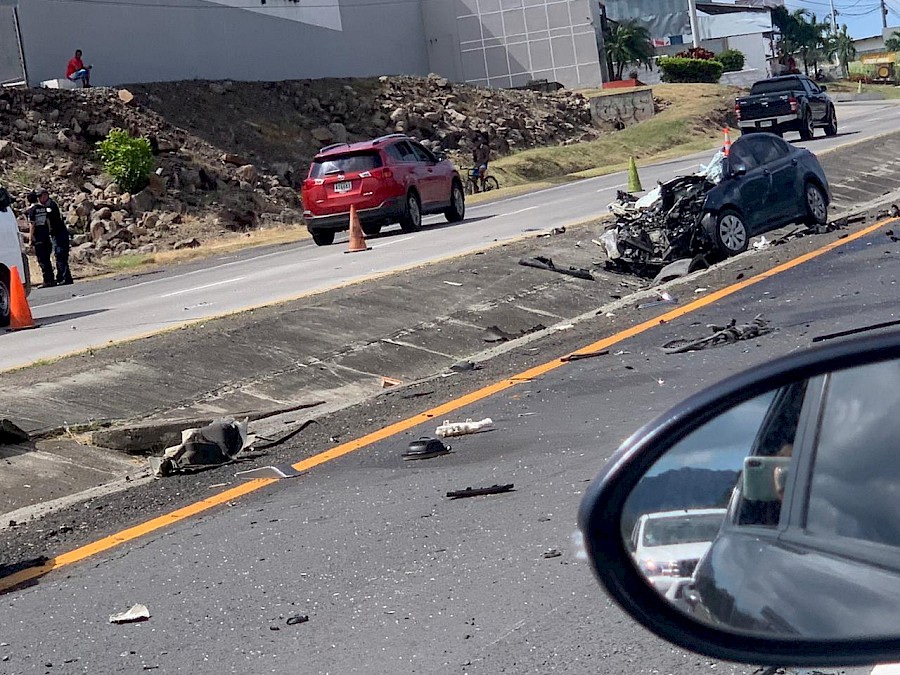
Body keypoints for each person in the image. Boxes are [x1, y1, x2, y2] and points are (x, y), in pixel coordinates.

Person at [28, 187, 72, 287]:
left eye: (41, 196)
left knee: (60, 255)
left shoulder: (50, 205)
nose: (39, 199)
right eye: (38, 197)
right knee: (57, 255)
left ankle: (65, 278)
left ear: (46, 195)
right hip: (53, 234)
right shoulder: (43, 207)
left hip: (59, 233)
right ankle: (60, 277)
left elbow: (45, 220)